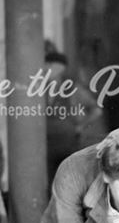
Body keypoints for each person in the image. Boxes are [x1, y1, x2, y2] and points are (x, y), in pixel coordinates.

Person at [44, 49, 104, 180]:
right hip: (46, 142)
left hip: (67, 142)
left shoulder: (73, 89)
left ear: (60, 68)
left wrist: (81, 126)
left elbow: (97, 110)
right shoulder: (40, 88)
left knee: (67, 178)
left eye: (50, 65)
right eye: (46, 65)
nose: (46, 69)